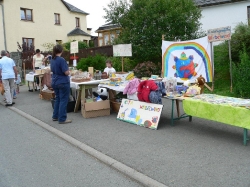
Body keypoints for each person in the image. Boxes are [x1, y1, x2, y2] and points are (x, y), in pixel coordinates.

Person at [50, 44, 71, 124]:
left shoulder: (52, 59)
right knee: (63, 100)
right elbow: (65, 72)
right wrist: (69, 72)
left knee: (58, 99)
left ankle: (55, 116)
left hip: (55, 81)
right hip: (62, 81)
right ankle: (62, 118)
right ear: (61, 51)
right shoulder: (61, 60)